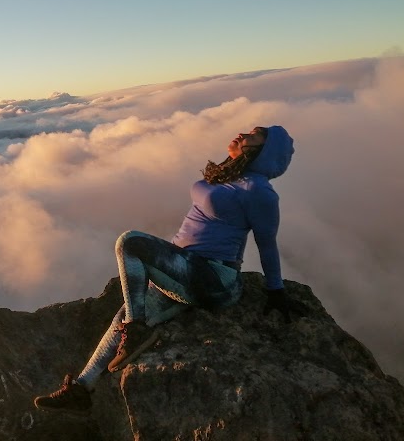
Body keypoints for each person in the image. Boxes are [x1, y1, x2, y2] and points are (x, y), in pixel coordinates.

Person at [33, 125, 301, 414]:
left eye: (255, 133)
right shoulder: (232, 178)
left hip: (213, 278)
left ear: (264, 150)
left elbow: (267, 244)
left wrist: (276, 290)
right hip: (186, 273)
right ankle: (83, 389)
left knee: (130, 242)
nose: (242, 133)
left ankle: (135, 332)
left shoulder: (259, 191)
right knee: (125, 313)